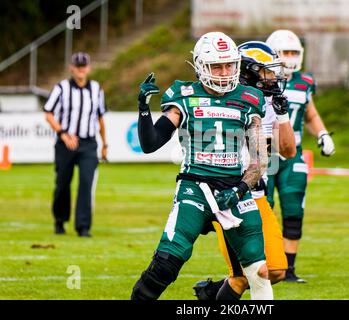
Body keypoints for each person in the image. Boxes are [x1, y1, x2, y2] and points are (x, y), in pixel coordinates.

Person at [130, 32, 273, 300]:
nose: (224, 72)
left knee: (260, 271)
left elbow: (260, 161)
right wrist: (143, 109)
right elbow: (151, 143)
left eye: (229, 64)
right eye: (216, 66)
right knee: (166, 265)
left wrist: (240, 189)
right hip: (195, 187)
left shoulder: (249, 98)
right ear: (200, 66)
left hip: (234, 190)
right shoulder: (183, 95)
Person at [192, 41, 297, 300]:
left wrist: (282, 116)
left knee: (277, 270)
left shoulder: (269, 102)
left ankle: (212, 293)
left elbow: (288, 151)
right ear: (249, 72)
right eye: (267, 71)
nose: (273, 77)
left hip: (257, 194)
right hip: (228, 195)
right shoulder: (228, 101)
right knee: (247, 275)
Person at [265, 30, 335, 283]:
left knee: (294, 209)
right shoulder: (260, 79)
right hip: (264, 153)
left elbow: (310, 114)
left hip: (292, 154)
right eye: (285, 52)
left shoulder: (304, 82)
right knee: (264, 210)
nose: (290, 58)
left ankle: (289, 269)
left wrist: (323, 134)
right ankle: (264, 265)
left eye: (294, 52)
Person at [44, 52, 108, 238]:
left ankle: (83, 226)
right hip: (66, 143)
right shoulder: (62, 88)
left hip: (88, 143)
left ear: (88, 68)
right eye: (77, 66)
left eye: (83, 66)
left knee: (86, 183)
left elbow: (100, 118)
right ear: (71, 68)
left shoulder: (96, 89)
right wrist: (63, 133)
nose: (81, 69)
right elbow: (48, 113)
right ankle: (60, 220)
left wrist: (105, 144)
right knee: (63, 182)